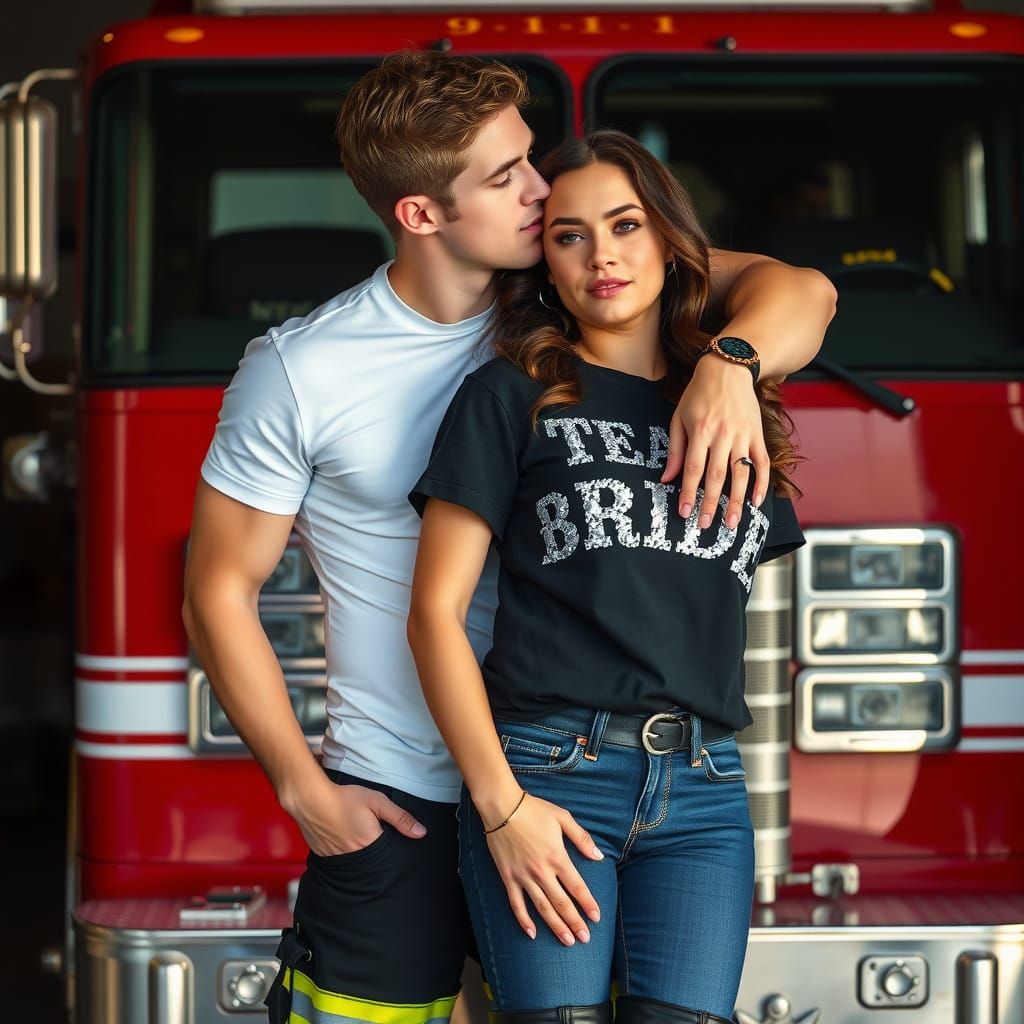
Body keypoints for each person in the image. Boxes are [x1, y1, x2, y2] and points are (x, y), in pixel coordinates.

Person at [181, 51, 835, 1024]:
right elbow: (218, 591)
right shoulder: (303, 368)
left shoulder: (579, 292)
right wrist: (305, 791)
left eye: (530, 158)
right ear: (421, 213)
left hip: (585, 781)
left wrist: (729, 364)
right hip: (402, 794)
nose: (541, 190)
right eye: (507, 177)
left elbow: (803, 292)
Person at [407, 130, 808, 1024]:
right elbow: (433, 615)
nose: (602, 256)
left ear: (670, 241)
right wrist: (501, 807)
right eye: (570, 235)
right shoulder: (510, 396)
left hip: (704, 786)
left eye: (626, 225)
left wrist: (730, 366)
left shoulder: (733, 399)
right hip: (551, 772)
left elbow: (812, 293)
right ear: (545, 265)